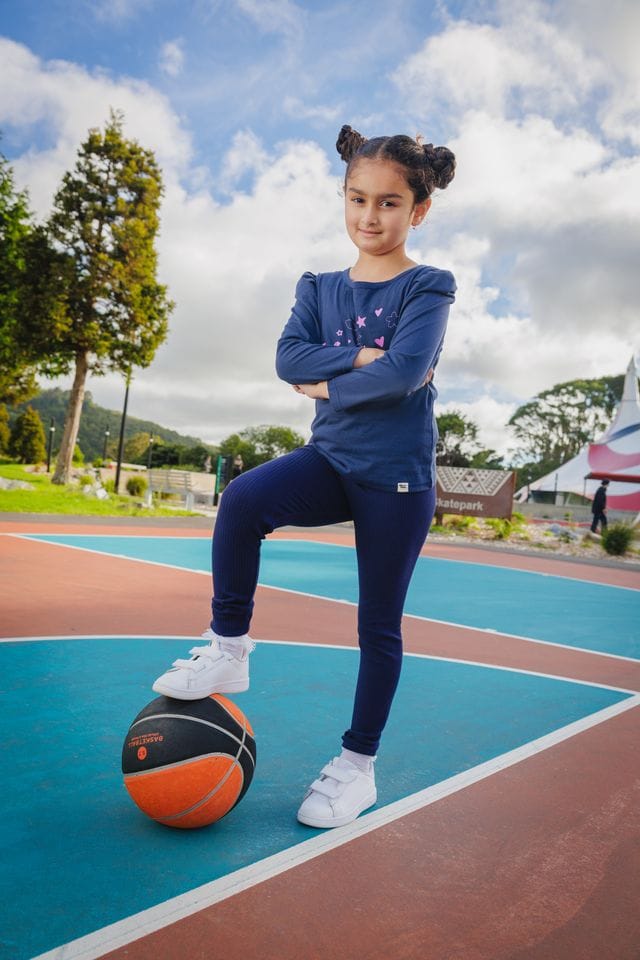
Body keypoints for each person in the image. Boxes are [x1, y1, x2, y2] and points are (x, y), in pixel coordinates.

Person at [152, 124, 457, 829]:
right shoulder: (318, 287)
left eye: (388, 203)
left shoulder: (428, 286)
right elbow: (290, 359)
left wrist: (328, 380)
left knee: (377, 625)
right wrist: (356, 365)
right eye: (357, 199)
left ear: (418, 211)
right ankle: (229, 648)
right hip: (332, 461)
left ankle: (357, 766)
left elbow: (407, 372)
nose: (369, 217)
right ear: (343, 197)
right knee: (243, 498)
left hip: (397, 481)